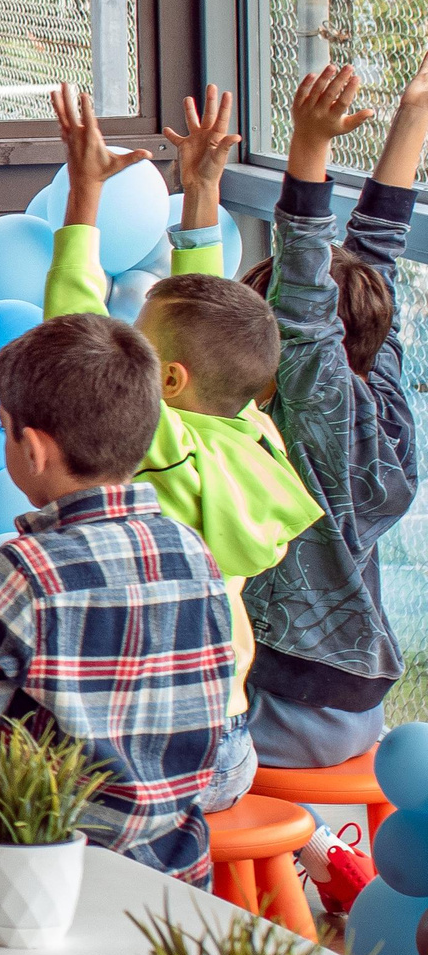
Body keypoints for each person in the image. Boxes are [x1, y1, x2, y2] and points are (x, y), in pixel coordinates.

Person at [41, 85, 320, 811]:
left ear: (166, 380)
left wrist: (84, 196)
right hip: (230, 739)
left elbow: (70, 331)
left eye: (134, 329)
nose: (120, 335)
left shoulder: (163, 442)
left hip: (156, 749)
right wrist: (202, 190)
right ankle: (312, 851)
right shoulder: (253, 434)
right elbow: (213, 324)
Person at [0, 310, 235, 881]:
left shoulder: (24, 574)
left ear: (35, 448)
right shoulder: (193, 552)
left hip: (47, 888)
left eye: (3, 429)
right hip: (179, 877)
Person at [239, 62, 426, 774]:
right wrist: (414, 115)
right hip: (355, 701)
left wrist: (309, 146)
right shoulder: (378, 386)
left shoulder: (317, 405)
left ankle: (306, 848)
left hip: (289, 704)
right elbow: (375, 252)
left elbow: (306, 292)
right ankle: (320, 855)